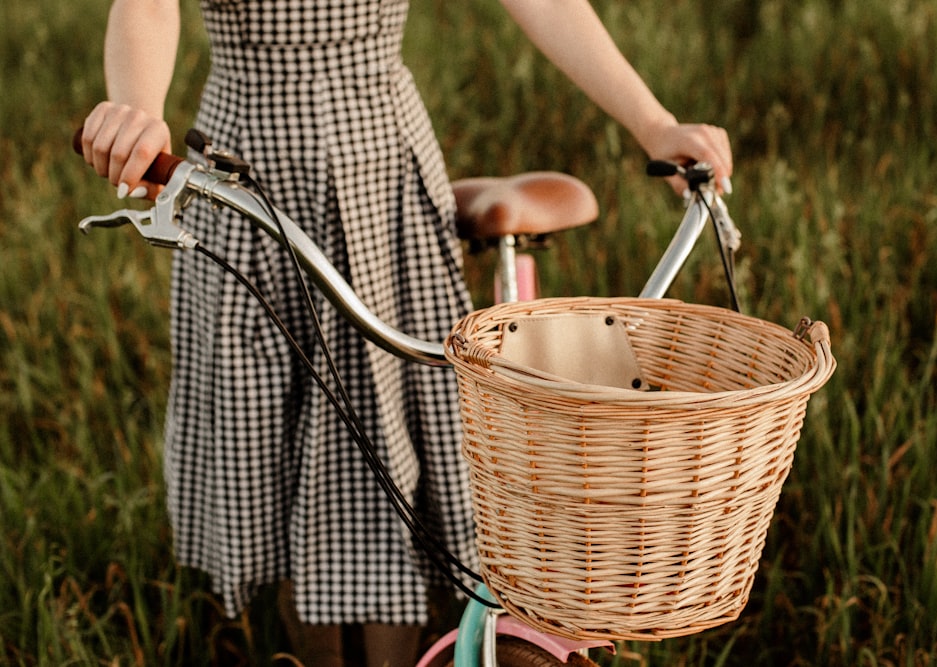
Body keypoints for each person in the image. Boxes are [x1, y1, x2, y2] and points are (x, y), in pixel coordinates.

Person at [79, 1, 733, 665]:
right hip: (254, 158)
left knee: (402, 414)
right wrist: (135, 107)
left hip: (383, 163)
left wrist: (653, 122)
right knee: (276, 428)